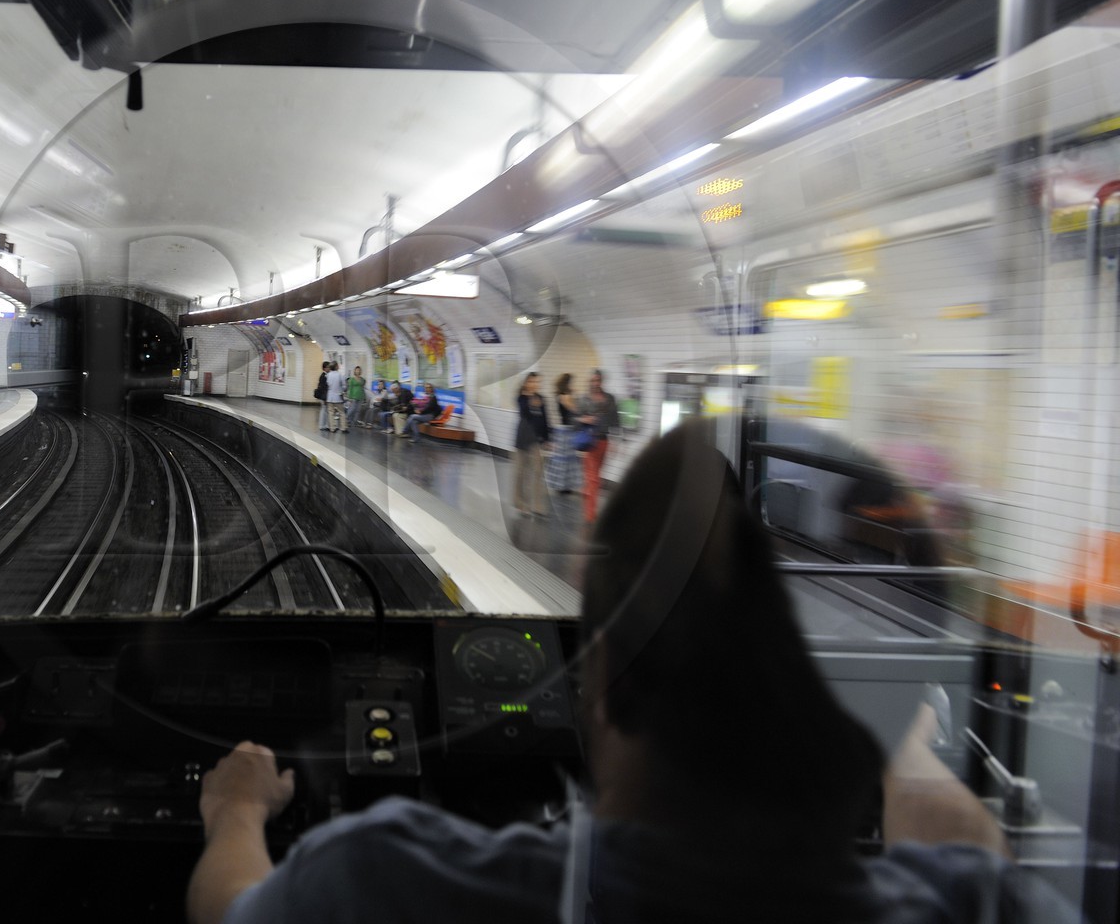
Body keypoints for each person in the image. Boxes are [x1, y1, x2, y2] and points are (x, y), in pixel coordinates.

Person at [186, 422, 1077, 924]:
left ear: (601, 685)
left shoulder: (390, 880)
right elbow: (964, 852)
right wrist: (906, 755)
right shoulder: (962, 904)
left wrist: (236, 812)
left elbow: (231, 907)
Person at [581, 369, 619, 524]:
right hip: (589, 441)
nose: (595, 383)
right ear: (590, 382)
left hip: (604, 441)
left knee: (596, 476)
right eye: (593, 380)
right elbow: (574, 419)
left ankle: (588, 492)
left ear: (602, 381)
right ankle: (590, 514)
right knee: (594, 479)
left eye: (598, 380)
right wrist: (585, 419)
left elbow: (615, 420)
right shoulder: (585, 399)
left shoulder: (609, 398)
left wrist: (616, 441)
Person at [511, 372, 551, 517]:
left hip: (536, 441)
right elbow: (524, 414)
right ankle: (521, 503)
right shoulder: (521, 398)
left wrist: (548, 439)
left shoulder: (541, 399)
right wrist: (529, 402)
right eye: (532, 382)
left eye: (537, 382)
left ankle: (537, 506)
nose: (535, 384)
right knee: (521, 473)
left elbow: (545, 419)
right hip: (522, 439)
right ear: (526, 383)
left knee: (537, 472)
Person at [546, 373, 583, 495]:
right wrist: (575, 396)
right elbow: (574, 409)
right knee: (564, 459)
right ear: (567, 383)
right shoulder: (563, 396)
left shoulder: (561, 395)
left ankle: (565, 485)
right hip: (565, 431)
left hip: (566, 430)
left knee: (566, 459)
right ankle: (562, 485)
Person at [324, 359, 349, 433]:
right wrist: (343, 390)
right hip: (338, 397)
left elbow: (327, 385)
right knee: (341, 412)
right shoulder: (340, 375)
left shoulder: (328, 375)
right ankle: (343, 428)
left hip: (330, 397)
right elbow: (344, 386)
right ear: (336, 366)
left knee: (331, 413)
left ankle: (332, 428)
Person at [345, 366, 368, 430]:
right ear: (355, 371)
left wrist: (364, 397)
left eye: (359, 370)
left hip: (360, 396)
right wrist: (349, 397)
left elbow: (363, 388)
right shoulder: (351, 379)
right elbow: (350, 388)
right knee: (352, 409)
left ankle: (354, 421)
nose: (358, 371)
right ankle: (347, 420)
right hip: (353, 396)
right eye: (357, 370)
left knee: (358, 410)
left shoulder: (363, 380)